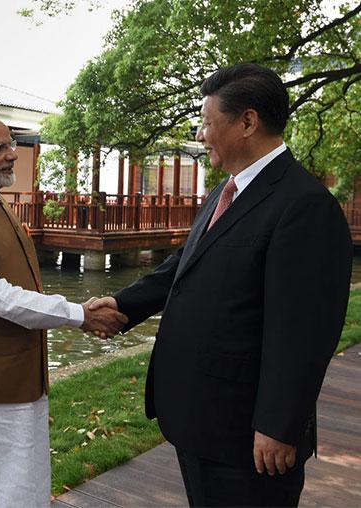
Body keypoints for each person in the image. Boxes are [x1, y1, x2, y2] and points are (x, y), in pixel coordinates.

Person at [89, 64, 352, 507]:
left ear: (247, 122)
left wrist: (278, 425)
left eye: (207, 123)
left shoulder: (305, 206)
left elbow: (304, 333)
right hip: (198, 419)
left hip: (248, 435)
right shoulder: (225, 191)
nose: (201, 134)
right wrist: (121, 304)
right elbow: (184, 267)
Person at [0, 108, 127, 507]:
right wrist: (78, 314)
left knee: (17, 487)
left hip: (11, 376)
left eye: (11, 144)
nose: (12, 154)